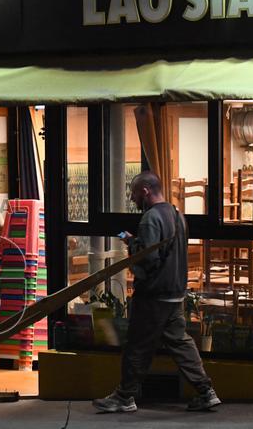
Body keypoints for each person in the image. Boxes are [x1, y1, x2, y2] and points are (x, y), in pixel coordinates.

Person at [92, 172, 221, 414]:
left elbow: (148, 259)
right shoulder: (176, 214)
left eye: (133, 193)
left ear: (145, 191)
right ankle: (206, 391)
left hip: (153, 295)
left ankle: (125, 397)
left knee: (137, 345)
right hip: (175, 293)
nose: (132, 199)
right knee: (180, 342)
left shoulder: (150, 218)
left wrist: (132, 244)